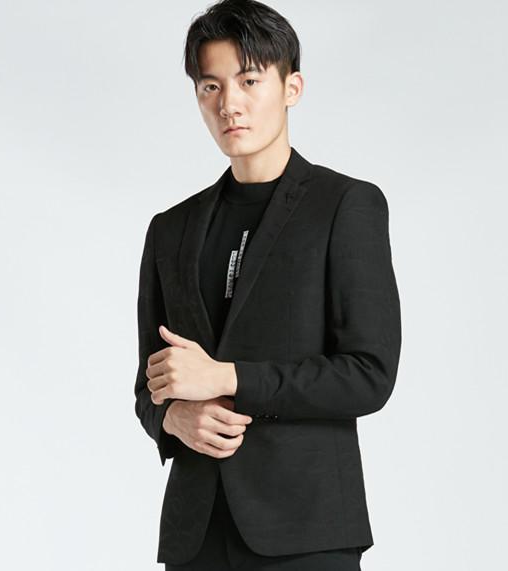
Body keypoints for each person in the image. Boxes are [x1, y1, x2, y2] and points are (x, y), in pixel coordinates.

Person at [133, 1, 402, 569]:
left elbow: (369, 375)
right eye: (210, 86)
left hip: (306, 534)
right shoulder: (170, 229)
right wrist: (173, 418)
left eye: (249, 80)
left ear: (291, 87)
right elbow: (150, 386)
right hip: (195, 535)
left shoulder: (345, 206)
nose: (228, 103)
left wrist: (228, 377)